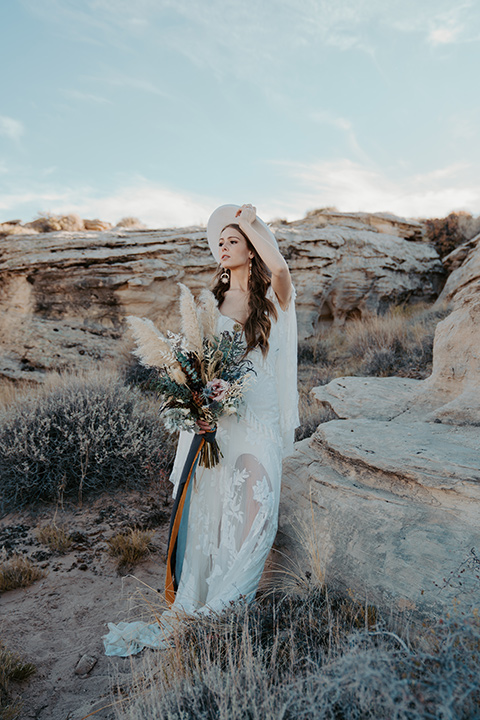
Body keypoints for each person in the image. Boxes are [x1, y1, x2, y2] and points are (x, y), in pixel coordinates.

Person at [103, 203, 299, 656]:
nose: (223, 247)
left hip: (260, 414)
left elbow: (283, 270)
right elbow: (197, 363)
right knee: (211, 508)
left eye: (233, 241)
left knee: (259, 506)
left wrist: (248, 222)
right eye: (221, 242)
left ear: (250, 251)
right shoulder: (211, 304)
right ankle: (210, 607)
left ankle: (233, 599)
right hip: (219, 418)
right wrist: (199, 402)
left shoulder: (271, 299)